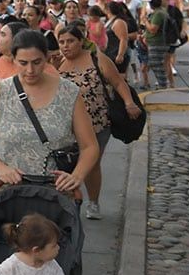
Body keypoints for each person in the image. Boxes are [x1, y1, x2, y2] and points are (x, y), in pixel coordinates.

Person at [0, 29, 99, 196]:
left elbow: (90, 146)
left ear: (46, 58)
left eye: (37, 62)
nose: (30, 70)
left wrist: (77, 176)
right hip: (9, 192)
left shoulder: (69, 92)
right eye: (23, 63)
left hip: (56, 193)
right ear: (13, 59)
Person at [53, 21, 140, 219]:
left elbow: (118, 82)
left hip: (97, 123)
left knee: (91, 163)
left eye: (70, 41)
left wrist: (129, 103)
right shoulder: (57, 63)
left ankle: (93, 202)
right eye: (62, 42)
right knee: (65, 164)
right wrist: (53, 69)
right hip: (67, 125)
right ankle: (67, 201)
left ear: (81, 41)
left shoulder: (96, 59)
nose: (65, 46)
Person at [144, 0, 173, 88]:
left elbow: (153, 29)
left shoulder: (158, 14)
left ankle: (163, 84)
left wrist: (145, 21)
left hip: (158, 42)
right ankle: (163, 83)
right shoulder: (161, 12)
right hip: (157, 42)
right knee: (156, 63)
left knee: (156, 63)